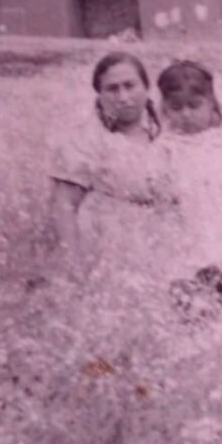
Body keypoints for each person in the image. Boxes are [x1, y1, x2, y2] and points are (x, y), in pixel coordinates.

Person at [155, 61, 222, 320]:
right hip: (190, 236)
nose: (186, 114)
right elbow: (159, 193)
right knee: (192, 306)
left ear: (212, 103)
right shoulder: (165, 148)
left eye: (194, 105)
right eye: (176, 107)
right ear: (165, 109)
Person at [48, 52, 170, 277]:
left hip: (169, 241)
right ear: (100, 95)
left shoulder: (171, 126)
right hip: (113, 246)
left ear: (146, 87)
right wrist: (74, 264)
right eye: (112, 89)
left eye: (130, 86)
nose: (123, 97)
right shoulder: (85, 140)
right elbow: (64, 206)